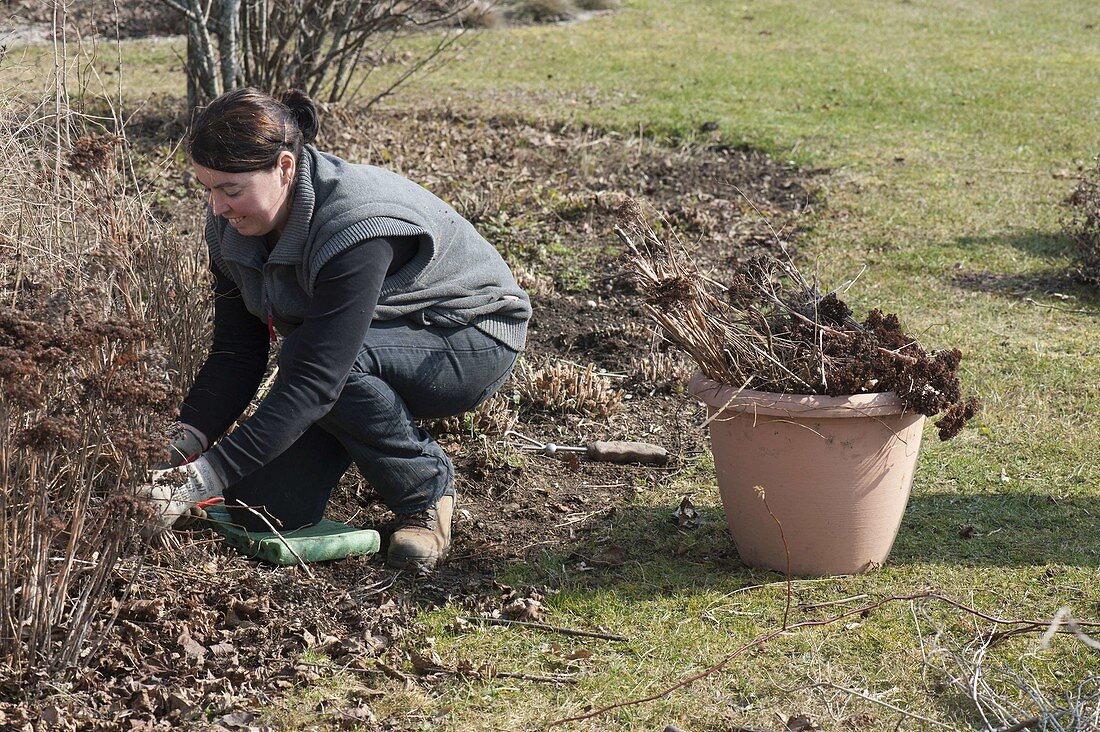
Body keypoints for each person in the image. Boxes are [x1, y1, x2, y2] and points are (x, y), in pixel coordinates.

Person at [141, 87, 530, 570]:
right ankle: (366, 429)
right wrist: (175, 446)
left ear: (285, 167)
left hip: (467, 337)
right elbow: (237, 353)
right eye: (207, 188)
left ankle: (425, 494)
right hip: (362, 342)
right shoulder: (233, 224)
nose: (217, 206)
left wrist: (198, 481)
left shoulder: (356, 224)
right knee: (260, 509)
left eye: (231, 190)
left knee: (321, 366)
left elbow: (317, 376)